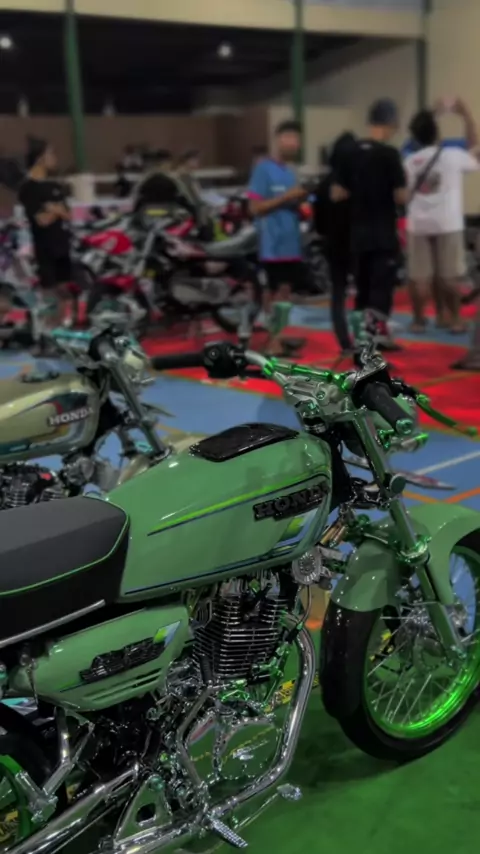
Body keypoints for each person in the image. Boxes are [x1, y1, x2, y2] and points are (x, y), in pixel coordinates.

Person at [331, 99, 407, 350]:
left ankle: (362, 341)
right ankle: (372, 345)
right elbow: (400, 196)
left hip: (357, 234)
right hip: (382, 233)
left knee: (362, 291)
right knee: (380, 290)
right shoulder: (389, 155)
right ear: (391, 123)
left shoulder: (348, 152)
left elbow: (337, 193)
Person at [404, 99, 480, 333]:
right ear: (437, 132)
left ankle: (418, 320)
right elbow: (476, 149)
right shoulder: (451, 156)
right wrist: (465, 114)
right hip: (447, 222)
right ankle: (454, 319)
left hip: (418, 222)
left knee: (419, 277)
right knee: (450, 276)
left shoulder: (410, 160)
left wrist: (431, 113)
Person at [247, 119, 308, 354]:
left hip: (291, 242)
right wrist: (286, 197)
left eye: (296, 139)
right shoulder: (263, 169)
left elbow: (293, 202)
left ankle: (278, 337)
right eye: (288, 138)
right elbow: (255, 207)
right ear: (278, 140)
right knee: (271, 293)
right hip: (271, 244)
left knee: (285, 293)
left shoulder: (291, 172)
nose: (293, 143)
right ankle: (272, 341)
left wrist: (300, 203)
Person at [18, 137, 73, 328]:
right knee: (50, 291)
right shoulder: (28, 188)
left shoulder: (55, 186)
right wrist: (56, 211)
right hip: (45, 248)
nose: (55, 158)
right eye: (51, 154)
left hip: (62, 245)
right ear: (40, 158)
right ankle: (49, 328)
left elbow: (68, 214)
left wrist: (53, 209)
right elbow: (41, 220)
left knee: (64, 289)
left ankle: (63, 325)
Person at [314, 132, 356, 355]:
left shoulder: (324, 184)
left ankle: (344, 342)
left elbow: (318, 224)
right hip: (358, 244)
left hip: (334, 244)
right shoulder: (359, 182)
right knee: (365, 295)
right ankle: (367, 341)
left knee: (338, 293)